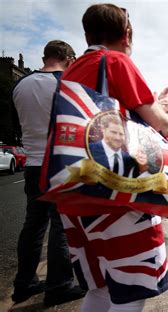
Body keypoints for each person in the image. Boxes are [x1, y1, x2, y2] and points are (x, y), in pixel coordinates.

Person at [60, 4, 168, 310]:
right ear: (126, 34)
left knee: (100, 288)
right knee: (133, 289)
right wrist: (163, 108)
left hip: (75, 194)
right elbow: (161, 124)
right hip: (117, 195)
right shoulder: (115, 60)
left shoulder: (72, 70)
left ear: (86, 33)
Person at [12, 40, 86, 306]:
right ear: (67, 57)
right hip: (59, 162)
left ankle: (24, 284)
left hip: (32, 164)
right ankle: (58, 285)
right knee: (62, 226)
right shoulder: (64, 85)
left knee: (33, 224)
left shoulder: (21, 85)